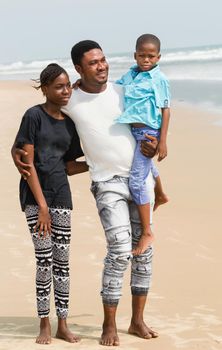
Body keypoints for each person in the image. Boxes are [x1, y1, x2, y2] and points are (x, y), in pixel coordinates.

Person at [12, 41, 159, 346]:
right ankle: (105, 326)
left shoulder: (122, 91)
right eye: (92, 63)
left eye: (102, 60)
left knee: (144, 254)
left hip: (137, 179)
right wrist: (17, 151)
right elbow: (38, 132)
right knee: (117, 251)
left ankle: (136, 321)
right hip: (104, 185)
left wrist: (154, 145)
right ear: (79, 69)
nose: (101, 66)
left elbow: (145, 124)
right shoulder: (68, 101)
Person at [12, 63, 88, 344]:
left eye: (68, 85)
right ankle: (44, 323)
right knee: (44, 261)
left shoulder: (69, 123)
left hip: (62, 196)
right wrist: (42, 207)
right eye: (58, 86)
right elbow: (27, 164)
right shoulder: (33, 116)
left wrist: (95, 164)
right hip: (35, 199)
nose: (65, 90)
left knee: (63, 263)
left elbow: (68, 166)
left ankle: (63, 324)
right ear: (45, 89)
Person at [115, 34, 170, 256]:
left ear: (158, 57)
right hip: (132, 130)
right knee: (145, 167)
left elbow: (166, 110)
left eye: (151, 56)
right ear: (135, 55)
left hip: (148, 132)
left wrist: (163, 141)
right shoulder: (130, 75)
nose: (146, 59)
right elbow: (114, 89)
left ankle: (147, 231)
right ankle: (161, 195)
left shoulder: (158, 79)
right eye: (142, 55)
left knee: (136, 181)